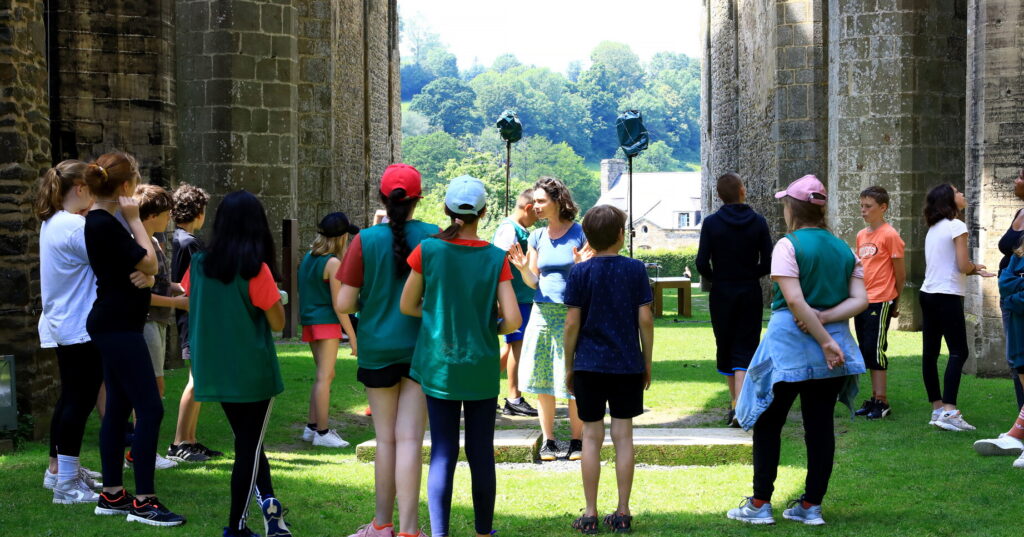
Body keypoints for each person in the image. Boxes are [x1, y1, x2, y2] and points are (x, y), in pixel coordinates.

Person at [726, 174, 867, 526]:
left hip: (789, 350)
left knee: (769, 424)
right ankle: (811, 506)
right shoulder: (844, 249)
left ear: (792, 208)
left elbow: (793, 299)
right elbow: (861, 300)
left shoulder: (788, 246)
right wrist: (828, 324)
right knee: (819, 428)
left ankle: (759, 504)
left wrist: (821, 334)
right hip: (829, 354)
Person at [401, 175, 521, 537]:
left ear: (447, 210)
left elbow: (408, 305)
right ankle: (484, 532)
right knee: (481, 453)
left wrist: (437, 315)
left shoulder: (428, 250)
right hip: (481, 366)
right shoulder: (495, 257)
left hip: (440, 367)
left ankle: (440, 534)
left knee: (442, 452)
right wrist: (487, 327)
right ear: (483, 213)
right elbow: (512, 318)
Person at [181, 190, 292, 537]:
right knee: (248, 447)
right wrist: (276, 298)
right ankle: (236, 526)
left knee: (249, 442)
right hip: (252, 371)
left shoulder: (199, 263)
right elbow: (278, 323)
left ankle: (269, 502)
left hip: (214, 368)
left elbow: (189, 297)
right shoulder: (255, 269)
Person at [336, 164, 439, 537]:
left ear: (382, 198)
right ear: (417, 201)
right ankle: (411, 530)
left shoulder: (364, 240)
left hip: (377, 347)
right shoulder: (434, 236)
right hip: (420, 348)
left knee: (386, 439)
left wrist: (374, 297)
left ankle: (381, 524)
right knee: (411, 438)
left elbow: (345, 303)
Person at [84, 152, 185, 526]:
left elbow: (140, 268)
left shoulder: (103, 222)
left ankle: (112, 493)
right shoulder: (106, 222)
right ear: (126, 187)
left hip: (117, 322)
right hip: (117, 326)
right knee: (151, 408)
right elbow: (150, 263)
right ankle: (144, 501)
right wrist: (133, 220)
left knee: (120, 408)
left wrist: (142, 276)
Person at [563, 205, 653, 534]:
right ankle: (623, 511)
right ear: (620, 235)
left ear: (588, 237)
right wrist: (646, 361)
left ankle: (589, 512)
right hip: (627, 363)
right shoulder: (635, 270)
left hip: (588, 363)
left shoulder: (580, 273)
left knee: (590, 437)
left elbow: (572, 324)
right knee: (623, 436)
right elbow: (645, 319)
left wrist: (569, 365)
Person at [509, 176, 592, 461]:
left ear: (559, 201)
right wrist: (522, 269)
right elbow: (534, 281)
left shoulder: (580, 233)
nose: (535, 207)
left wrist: (582, 267)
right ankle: (549, 441)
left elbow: (591, 275)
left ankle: (577, 440)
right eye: (534, 202)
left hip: (572, 313)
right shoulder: (537, 236)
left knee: (572, 378)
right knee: (544, 378)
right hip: (542, 314)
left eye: (542, 201)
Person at [36, 160, 105, 504]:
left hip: (65, 323)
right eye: (93, 190)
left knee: (70, 400)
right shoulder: (73, 227)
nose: (95, 198)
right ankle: (65, 485)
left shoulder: (55, 222)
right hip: (79, 325)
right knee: (78, 402)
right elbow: (109, 260)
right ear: (80, 189)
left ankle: (59, 472)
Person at [695, 172, 772, 426]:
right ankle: (741, 405)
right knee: (746, 345)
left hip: (722, 292)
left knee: (725, 343)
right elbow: (769, 261)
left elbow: (701, 262)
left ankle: (736, 405)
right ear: (742, 190)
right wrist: (751, 274)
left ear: (719, 196)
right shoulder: (758, 222)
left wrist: (717, 278)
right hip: (749, 290)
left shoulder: (711, 223)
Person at [920, 184, 994, 432]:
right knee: (958, 352)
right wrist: (975, 268)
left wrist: (974, 267)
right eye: (958, 191)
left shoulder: (934, 227)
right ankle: (950, 411)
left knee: (930, 353)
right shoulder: (956, 225)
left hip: (928, 293)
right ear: (949, 200)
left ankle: (937, 409)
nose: (962, 194)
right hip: (946, 295)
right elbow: (962, 266)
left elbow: (951, 263)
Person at [167, 183, 222, 463]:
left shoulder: (177, 239)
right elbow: (193, 284)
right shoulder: (189, 243)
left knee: (198, 379)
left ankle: (190, 438)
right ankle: (179, 442)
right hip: (193, 316)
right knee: (196, 379)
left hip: (189, 314)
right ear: (199, 212)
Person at [131, 184, 184, 470]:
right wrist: (180, 304)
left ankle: (141, 451)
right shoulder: (142, 245)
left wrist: (180, 289)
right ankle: (143, 453)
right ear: (151, 215)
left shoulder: (154, 241)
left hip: (158, 322)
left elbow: (160, 283)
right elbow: (141, 292)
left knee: (153, 387)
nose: (170, 219)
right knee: (150, 388)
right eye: (166, 213)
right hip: (147, 321)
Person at [298, 212, 359, 448]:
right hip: (325, 322)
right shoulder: (333, 263)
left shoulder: (308, 257)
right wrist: (353, 338)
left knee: (325, 375)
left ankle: (312, 427)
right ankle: (323, 433)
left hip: (311, 321)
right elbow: (339, 305)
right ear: (342, 237)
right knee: (325, 377)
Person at [850, 186, 905, 420]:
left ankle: (882, 402)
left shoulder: (890, 235)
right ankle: (873, 398)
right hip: (863, 300)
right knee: (865, 349)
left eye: (868, 206)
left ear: (883, 208)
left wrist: (895, 300)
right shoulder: (862, 236)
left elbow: (900, 273)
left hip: (881, 299)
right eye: (861, 206)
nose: (863, 211)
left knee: (875, 349)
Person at [974, 239, 1024, 468]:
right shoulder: (1017, 257)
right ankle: (1017, 436)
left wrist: (1014, 297)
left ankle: (1017, 436)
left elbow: (1012, 294)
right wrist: (1016, 293)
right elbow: (1004, 282)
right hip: (1018, 332)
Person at [492, 188, 540, 417]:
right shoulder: (509, 229)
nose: (538, 218)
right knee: (518, 346)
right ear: (528, 208)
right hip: (515, 299)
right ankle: (514, 397)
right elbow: (496, 261)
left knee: (512, 346)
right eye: (536, 213)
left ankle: (484, 389)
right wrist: (499, 298)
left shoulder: (518, 229)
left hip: (520, 298)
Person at [996, 168, 1024, 410]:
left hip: (1019, 297)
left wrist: (1014, 289)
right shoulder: (1020, 212)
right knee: (1015, 358)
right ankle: (1021, 415)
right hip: (1010, 297)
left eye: (1022, 177)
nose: (1016, 181)